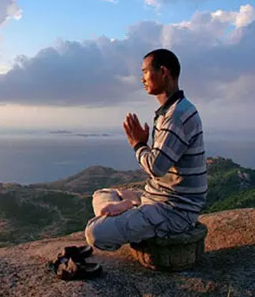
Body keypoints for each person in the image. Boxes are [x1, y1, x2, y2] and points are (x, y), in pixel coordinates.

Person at [85, 49, 207, 251]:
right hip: (156, 197)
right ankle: (133, 205)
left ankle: (130, 208)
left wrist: (138, 144)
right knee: (102, 193)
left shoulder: (177, 115)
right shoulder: (171, 110)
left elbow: (156, 167)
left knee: (95, 232)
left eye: (145, 72)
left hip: (173, 211)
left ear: (163, 72)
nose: (142, 79)